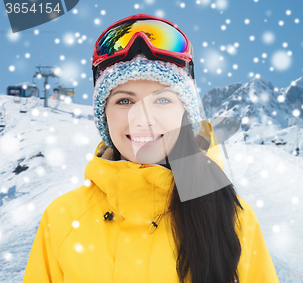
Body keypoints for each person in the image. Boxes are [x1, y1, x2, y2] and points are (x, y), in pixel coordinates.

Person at [23, 14, 280, 283]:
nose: (143, 118)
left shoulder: (233, 219)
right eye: (124, 101)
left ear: (185, 113)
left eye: (162, 101)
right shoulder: (63, 218)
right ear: (104, 116)